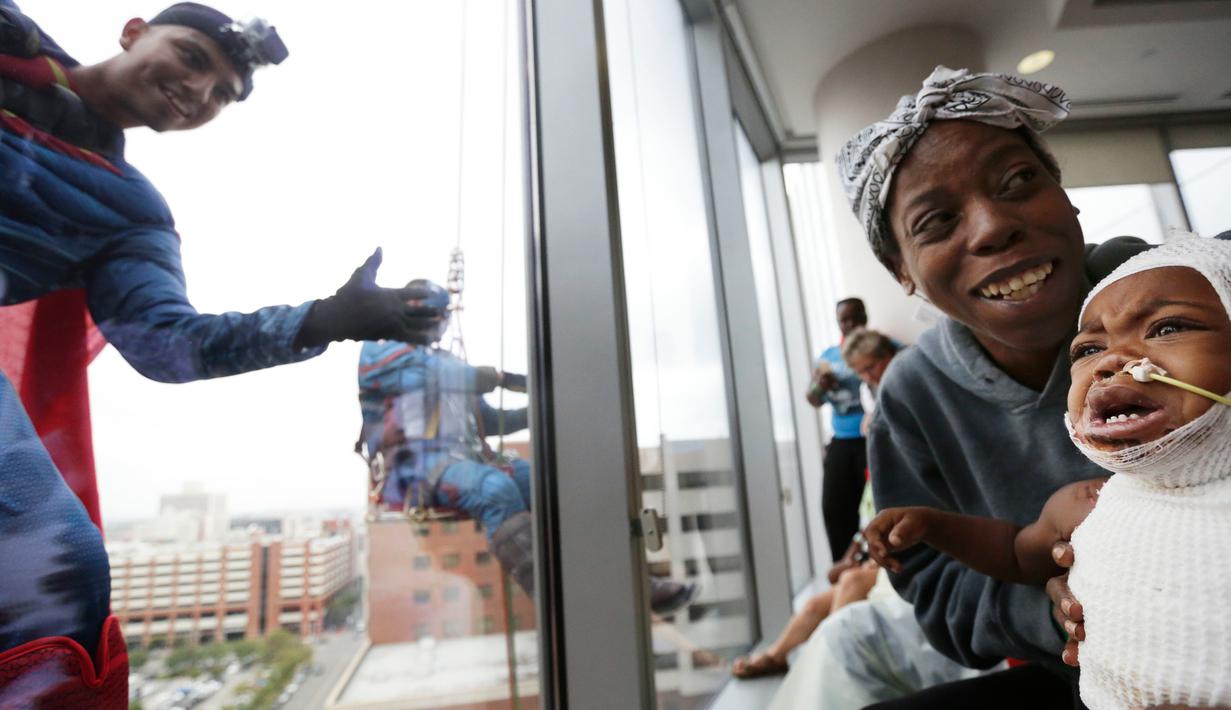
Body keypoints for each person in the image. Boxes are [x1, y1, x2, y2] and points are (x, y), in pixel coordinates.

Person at [0, 3, 438, 705]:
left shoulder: (128, 213)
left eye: (224, 95)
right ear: (133, 30)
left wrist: (330, 317)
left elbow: (167, 346)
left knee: (56, 577)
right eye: (194, 59)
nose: (201, 93)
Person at [817, 65, 1165, 708]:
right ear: (903, 271)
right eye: (935, 222)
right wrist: (1048, 611)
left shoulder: (1174, 289)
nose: (990, 228)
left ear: (1064, 193)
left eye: (1018, 180)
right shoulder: (913, 400)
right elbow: (938, 587)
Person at [864, 236, 1231, 709]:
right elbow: (1015, 554)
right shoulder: (1086, 504)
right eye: (1087, 350)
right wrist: (934, 527)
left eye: (1166, 328)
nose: (1112, 363)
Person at [359, 280, 698, 615]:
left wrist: (544, 407)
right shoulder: (382, 353)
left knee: (551, 482)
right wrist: (507, 378)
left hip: (463, 462)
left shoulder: (447, 363)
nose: (436, 326)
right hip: (415, 470)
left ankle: (630, 581)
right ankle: (558, 604)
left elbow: (489, 421)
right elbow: (446, 376)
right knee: (495, 489)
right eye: (432, 317)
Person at [733, 328, 898, 680]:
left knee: (851, 583)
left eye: (872, 369)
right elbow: (868, 514)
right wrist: (853, 550)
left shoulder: (901, 402)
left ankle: (825, 667)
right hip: (873, 548)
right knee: (817, 601)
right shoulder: (872, 471)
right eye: (862, 373)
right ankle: (777, 656)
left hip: (897, 551)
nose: (868, 377)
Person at [806, 297, 870, 562]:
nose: (850, 324)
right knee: (835, 508)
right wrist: (821, 385)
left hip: (873, 439)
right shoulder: (827, 357)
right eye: (844, 320)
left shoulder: (880, 347)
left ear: (864, 318)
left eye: (854, 318)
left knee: (874, 508)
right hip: (842, 442)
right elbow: (812, 399)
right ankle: (843, 567)